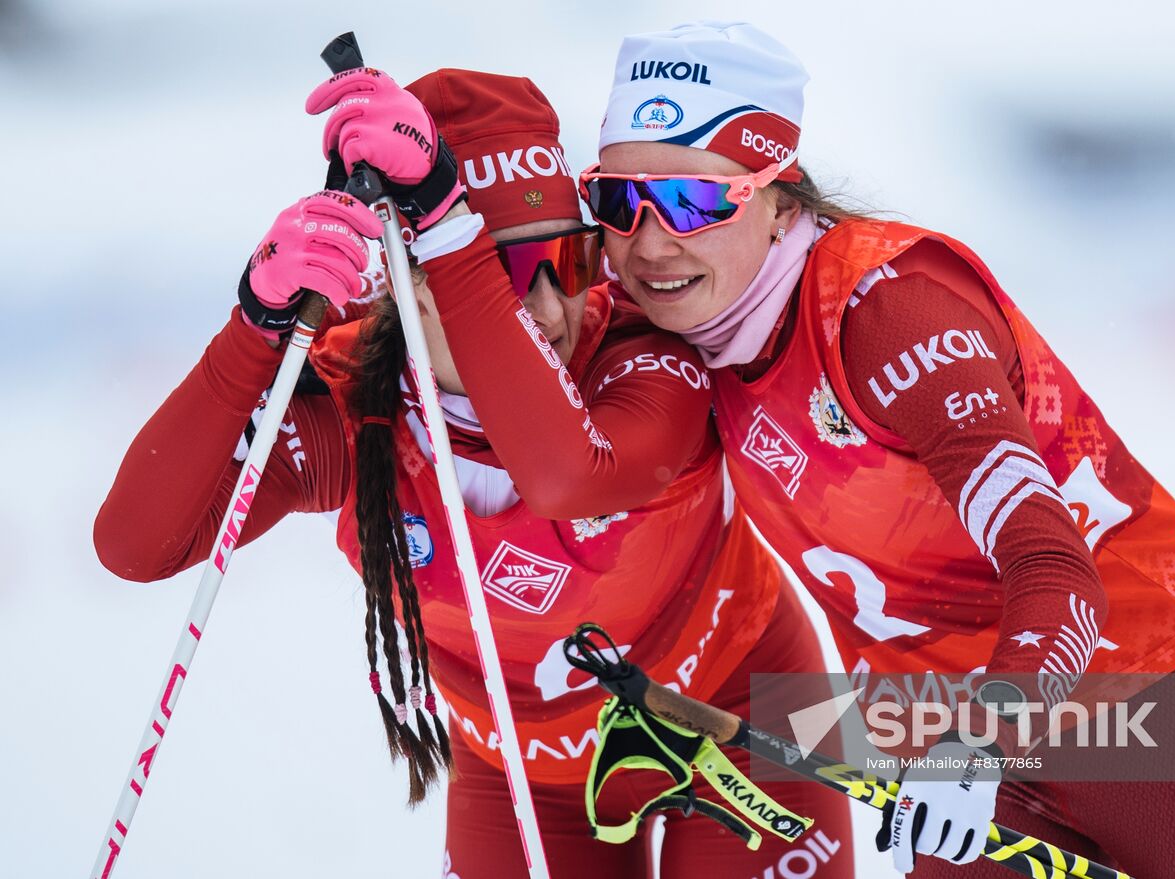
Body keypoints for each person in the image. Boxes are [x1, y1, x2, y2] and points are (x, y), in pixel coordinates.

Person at [583, 21, 1175, 878]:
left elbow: (1055, 569)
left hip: (1137, 679)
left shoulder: (889, 311)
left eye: (692, 200)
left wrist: (977, 747)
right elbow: (497, 307)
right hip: (936, 722)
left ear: (779, 198)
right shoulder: (674, 317)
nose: (650, 241)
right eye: (617, 200)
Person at [94, 67, 852, 878]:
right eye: (509, 277)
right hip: (521, 767)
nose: (558, 309)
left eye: (567, 257)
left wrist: (457, 235)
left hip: (743, 705)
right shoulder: (365, 410)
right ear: (410, 282)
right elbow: (135, 546)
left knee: (980, 757)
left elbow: (570, 476)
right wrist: (253, 324)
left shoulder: (637, 351)